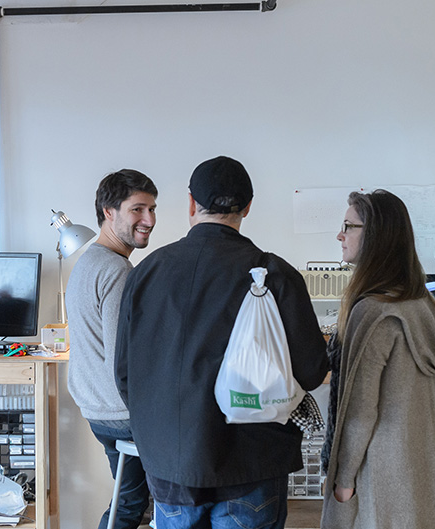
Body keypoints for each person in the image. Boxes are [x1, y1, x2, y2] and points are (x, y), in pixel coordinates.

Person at [114, 156, 328, 529]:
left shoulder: (147, 273)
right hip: (252, 464)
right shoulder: (275, 275)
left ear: (192, 204)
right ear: (247, 207)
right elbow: (311, 372)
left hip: (170, 465)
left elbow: (124, 375)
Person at [320, 189, 435, 529]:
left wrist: (343, 480)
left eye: (348, 226)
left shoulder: (372, 312)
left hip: (377, 471)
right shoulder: (421, 304)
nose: (340, 235)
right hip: (415, 464)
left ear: (375, 238)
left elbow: (360, 409)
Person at [66, 169, 158, 529]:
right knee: (135, 503)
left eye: (152, 209)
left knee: (129, 497)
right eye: (137, 209)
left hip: (96, 408)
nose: (149, 220)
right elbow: (126, 356)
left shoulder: (89, 260)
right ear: (109, 211)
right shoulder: (118, 271)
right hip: (120, 412)